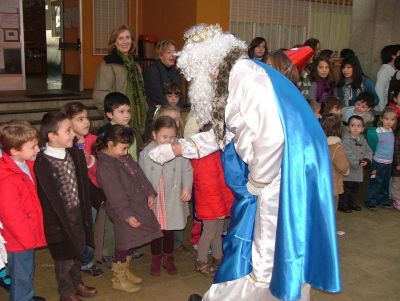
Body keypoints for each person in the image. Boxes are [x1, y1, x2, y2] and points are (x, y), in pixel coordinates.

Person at [149, 24, 340, 301]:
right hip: (276, 169)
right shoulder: (235, 78)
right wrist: (179, 147)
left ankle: (269, 294)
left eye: (199, 72)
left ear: (210, 62)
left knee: (268, 245)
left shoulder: (246, 77)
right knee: (258, 239)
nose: (200, 79)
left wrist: (258, 182)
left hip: (281, 173)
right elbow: (224, 134)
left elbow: (272, 136)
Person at [34, 111, 97, 301]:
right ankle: (67, 292)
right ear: (52, 136)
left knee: (78, 250)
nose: (73, 134)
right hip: (57, 220)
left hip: (77, 212)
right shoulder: (41, 162)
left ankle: (77, 283)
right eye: (68, 131)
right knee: (64, 258)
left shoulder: (73, 153)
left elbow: (83, 184)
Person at [96, 124, 162, 293]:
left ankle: (125, 271)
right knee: (124, 244)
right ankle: (118, 278)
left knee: (133, 241)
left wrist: (149, 192)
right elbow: (115, 195)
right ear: (110, 144)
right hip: (123, 211)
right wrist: (126, 214)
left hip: (137, 205)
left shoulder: (123, 157)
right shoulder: (106, 167)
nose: (126, 152)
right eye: (123, 148)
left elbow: (139, 175)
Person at [139, 116, 192, 277]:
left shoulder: (179, 150)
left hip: (172, 197)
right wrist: (146, 194)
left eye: (172, 137)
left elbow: (187, 170)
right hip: (155, 198)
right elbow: (140, 176)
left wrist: (187, 187)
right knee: (156, 230)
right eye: (164, 137)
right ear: (155, 134)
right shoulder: (146, 152)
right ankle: (156, 258)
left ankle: (168, 257)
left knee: (169, 230)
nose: (168, 141)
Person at [0, 121, 47, 301]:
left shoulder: (24, 163)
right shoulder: (6, 180)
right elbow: (12, 216)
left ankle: (25, 296)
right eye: (33, 147)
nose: (37, 150)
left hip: (26, 235)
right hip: (19, 240)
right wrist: (29, 239)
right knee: (21, 275)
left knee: (24, 272)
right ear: (14, 151)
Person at [96, 92, 144, 266]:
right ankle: (109, 251)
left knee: (131, 216)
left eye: (128, 111)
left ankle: (129, 247)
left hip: (130, 183)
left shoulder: (133, 132)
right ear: (109, 114)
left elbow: (136, 156)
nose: (126, 115)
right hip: (114, 184)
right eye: (121, 111)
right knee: (113, 219)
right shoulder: (104, 135)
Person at [62, 102, 105, 278]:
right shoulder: (64, 144)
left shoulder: (94, 141)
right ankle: (74, 262)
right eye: (80, 119)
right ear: (68, 123)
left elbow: (102, 170)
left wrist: (91, 162)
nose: (86, 122)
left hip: (92, 194)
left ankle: (87, 261)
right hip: (73, 197)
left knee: (89, 227)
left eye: (86, 117)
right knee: (75, 230)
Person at [190, 122, 234, 277]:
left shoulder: (216, 152)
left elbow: (222, 181)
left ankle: (218, 257)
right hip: (211, 203)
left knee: (217, 232)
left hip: (218, 202)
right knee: (208, 232)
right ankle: (201, 261)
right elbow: (207, 186)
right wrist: (219, 206)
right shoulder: (202, 156)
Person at [93, 25, 147, 134]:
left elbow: (142, 92)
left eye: (127, 38)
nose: (125, 41)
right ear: (114, 42)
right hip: (116, 124)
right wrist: (114, 116)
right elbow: (100, 95)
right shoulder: (108, 64)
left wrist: (145, 107)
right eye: (120, 38)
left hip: (135, 120)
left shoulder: (135, 65)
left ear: (132, 41)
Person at [144, 40, 183, 138]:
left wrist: (178, 110)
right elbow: (158, 96)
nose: (172, 55)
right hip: (157, 114)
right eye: (168, 52)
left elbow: (180, 93)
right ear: (160, 55)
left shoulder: (176, 70)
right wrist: (171, 111)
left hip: (173, 113)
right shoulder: (153, 70)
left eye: (174, 52)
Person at [365, 107, 397, 210]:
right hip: (377, 163)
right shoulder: (377, 132)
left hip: (388, 163)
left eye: (392, 119)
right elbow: (371, 145)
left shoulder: (391, 131)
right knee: (375, 181)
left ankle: (382, 200)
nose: (389, 122)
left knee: (385, 182)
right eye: (386, 119)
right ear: (381, 119)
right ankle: (370, 201)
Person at [339, 116, 372, 213]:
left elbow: (369, 151)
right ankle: (343, 204)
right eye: (353, 125)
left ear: (362, 128)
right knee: (346, 189)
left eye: (358, 126)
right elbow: (348, 154)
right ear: (348, 127)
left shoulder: (362, 139)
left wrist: (367, 160)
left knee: (355, 189)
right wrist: (358, 162)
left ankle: (352, 203)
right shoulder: (345, 140)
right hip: (349, 171)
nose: (356, 128)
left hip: (358, 171)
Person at [320, 114, 350, 212]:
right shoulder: (336, 147)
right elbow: (342, 166)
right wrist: (346, 170)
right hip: (332, 183)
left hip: (320, 182)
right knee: (331, 209)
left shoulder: (319, 143)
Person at [375, 44, 400, 112]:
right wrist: (383, 109)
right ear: (393, 56)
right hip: (384, 109)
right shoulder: (384, 71)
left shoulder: (396, 71)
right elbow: (379, 90)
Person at [390, 129, 400, 210]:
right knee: (396, 183)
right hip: (398, 166)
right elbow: (396, 150)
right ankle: (396, 200)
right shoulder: (398, 135)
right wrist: (398, 163)